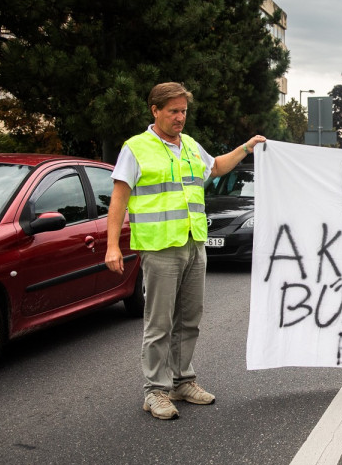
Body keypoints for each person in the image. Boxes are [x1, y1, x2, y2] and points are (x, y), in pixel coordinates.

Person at [106, 82, 266, 420]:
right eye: (173, 111)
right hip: (160, 246)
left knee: (190, 319)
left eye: (183, 111)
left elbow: (216, 167)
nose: (180, 117)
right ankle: (155, 391)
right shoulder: (136, 148)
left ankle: (182, 381)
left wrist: (246, 147)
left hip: (194, 243)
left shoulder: (190, 145)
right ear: (155, 110)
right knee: (159, 323)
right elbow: (119, 198)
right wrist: (112, 247)